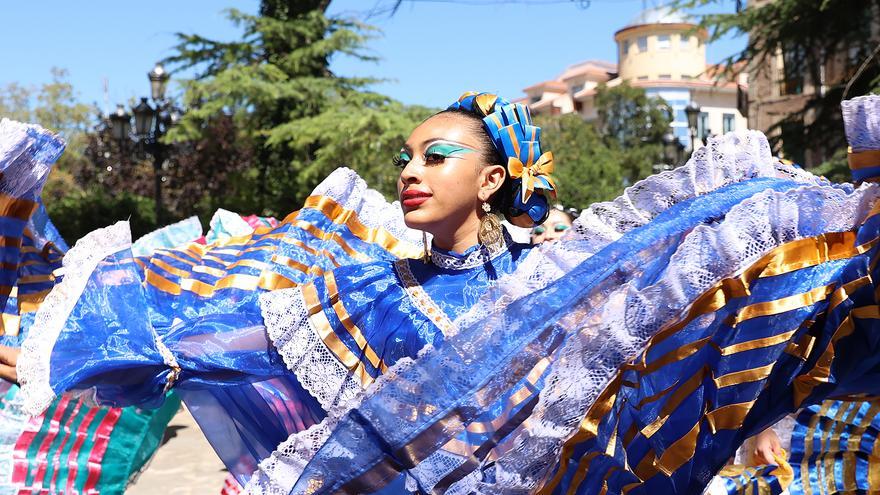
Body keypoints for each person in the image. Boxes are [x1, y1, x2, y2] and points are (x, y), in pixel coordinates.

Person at [3, 92, 880, 495]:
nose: (409, 170)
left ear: (494, 179)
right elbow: (219, 326)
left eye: (436, 154)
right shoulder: (368, 293)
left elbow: (662, 350)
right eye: (405, 157)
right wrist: (73, 347)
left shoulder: (562, 280)